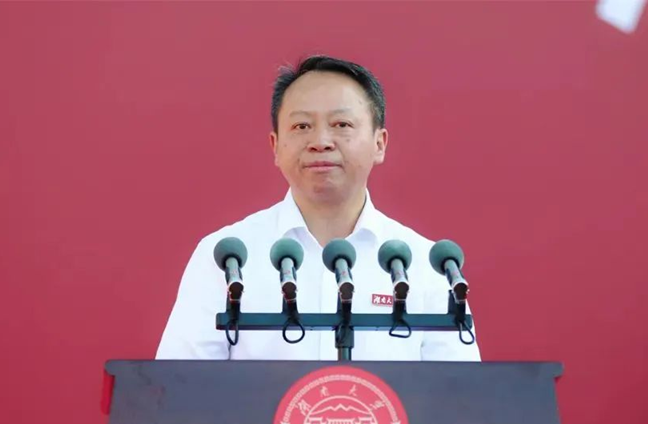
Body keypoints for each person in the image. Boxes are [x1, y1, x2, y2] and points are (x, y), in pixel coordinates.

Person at [155, 55, 481, 361]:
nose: (321, 141)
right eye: (302, 126)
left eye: (341, 124)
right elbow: (179, 387)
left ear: (379, 143)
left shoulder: (427, 265)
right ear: (275, 146)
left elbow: (459, 395)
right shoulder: (226, 258)